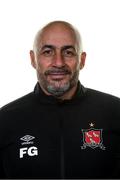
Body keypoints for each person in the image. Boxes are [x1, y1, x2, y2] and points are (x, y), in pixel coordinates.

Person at [0, 20, 120, 179]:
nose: (58, 62)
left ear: (82, 60)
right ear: (33, 59)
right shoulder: (6, 120)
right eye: (48, 52)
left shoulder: (114, 112)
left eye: (68, 52)